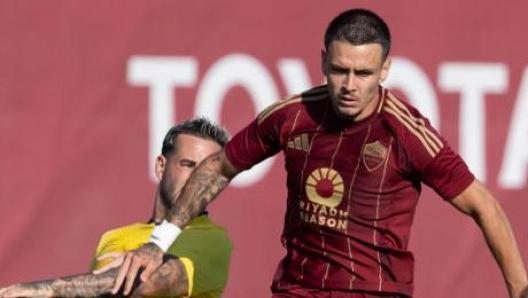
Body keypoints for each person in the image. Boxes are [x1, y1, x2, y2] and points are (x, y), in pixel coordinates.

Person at [102, 8, 528, 298]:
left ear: (385, 70)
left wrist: (519, 288)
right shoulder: (292, 116)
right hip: (297, 290)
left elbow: (483, 206)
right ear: (323, 60)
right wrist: (158, 243)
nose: (349, 84)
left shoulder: (406, 131)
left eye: (363, 73)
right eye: (340, 69)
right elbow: (218, 166)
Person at [0, 117, 232, 298]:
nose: (196, 180)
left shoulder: (213, 241)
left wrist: (48, 290)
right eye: (188, 165)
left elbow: (148, 285)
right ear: (161, 166)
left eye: (206, 173)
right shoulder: (112, 238)